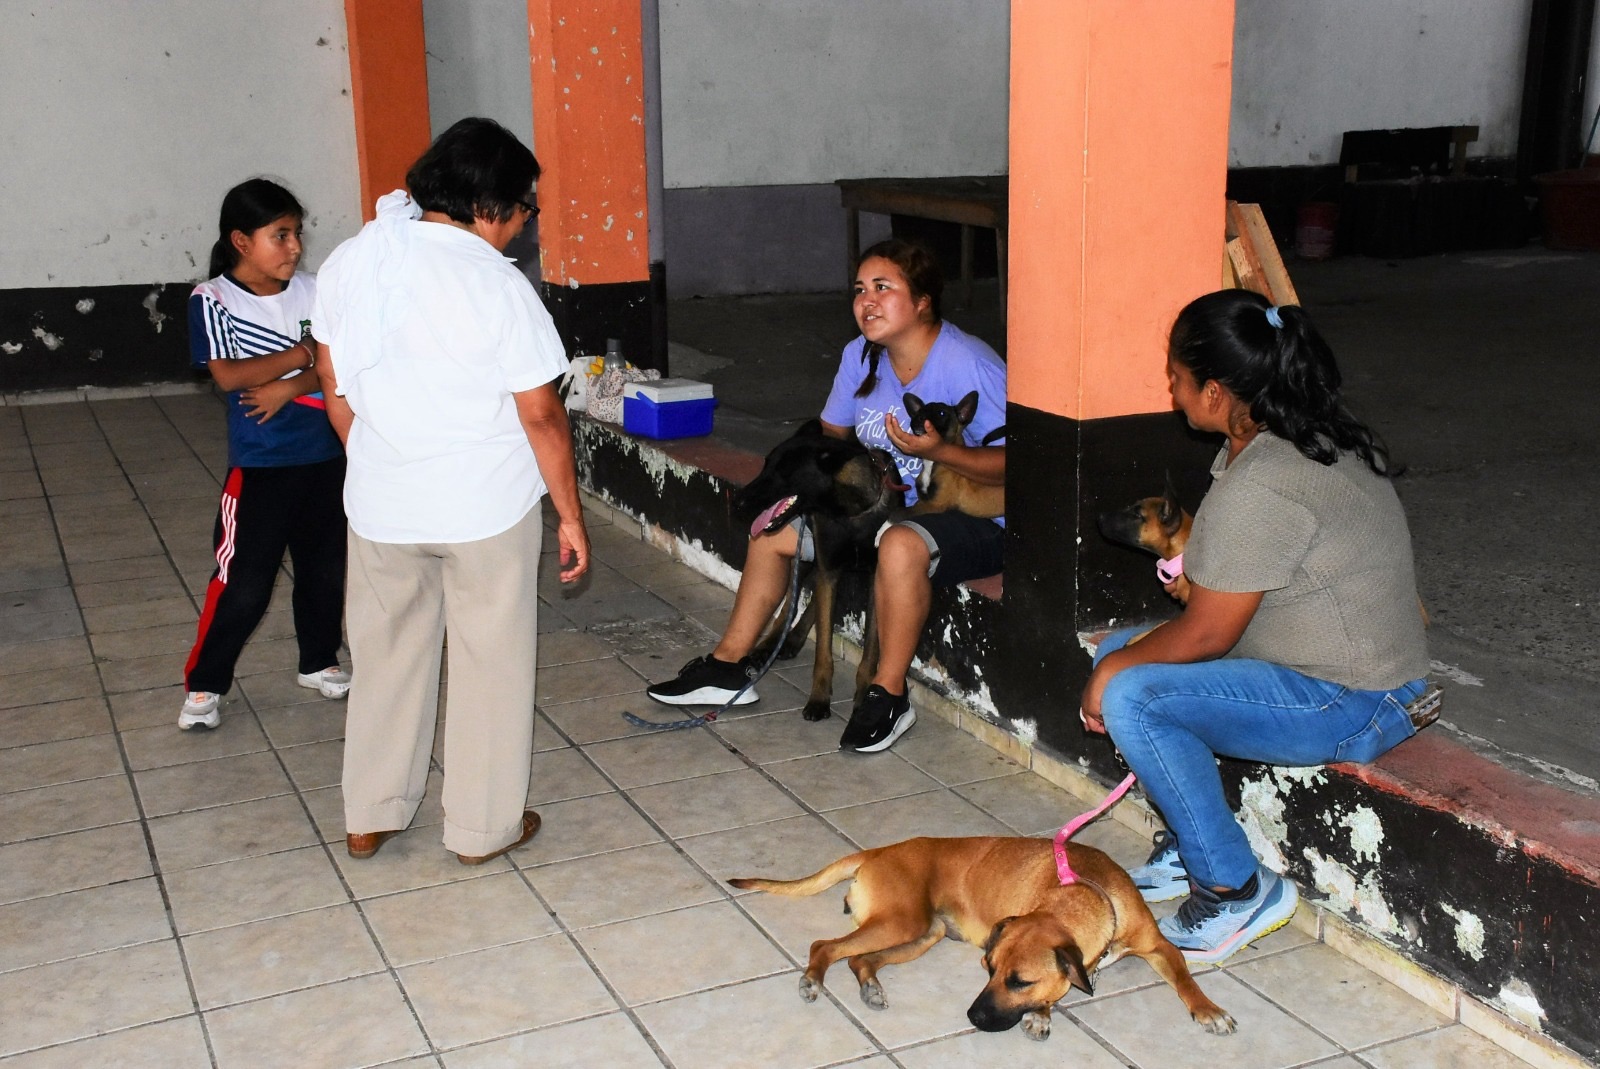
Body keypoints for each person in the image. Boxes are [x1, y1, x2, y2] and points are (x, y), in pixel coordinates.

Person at [1080, 289, 1429, 964]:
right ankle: (1190, 847)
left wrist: (1111, 674)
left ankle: (1234, 887)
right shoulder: (1278, 442)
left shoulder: (1265, 478)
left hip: (1357, 697)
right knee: (1122, 651)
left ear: (1215, 391)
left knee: (1129, 688)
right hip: (1321, 669)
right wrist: (1123, 654)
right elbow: (1239, 590)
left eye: (1177, 378)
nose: (1170, 390)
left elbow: (1207, 633)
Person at [311, 117, 589, 865]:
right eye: (526, 206)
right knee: (488, 663)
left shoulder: (352, 261)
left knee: (386, 654)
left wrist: (381, 460)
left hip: (381, 505)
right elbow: (542, 416)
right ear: (493, 206)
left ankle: (371, 813)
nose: (526, 223)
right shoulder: (497, 287)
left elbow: (332, 383)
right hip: (482, 510)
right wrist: (570, 515)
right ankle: (480, 828)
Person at [647, 239, 1006, 753]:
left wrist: (942, 454)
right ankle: (728, 667)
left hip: (974, 513)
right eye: (860, 289)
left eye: (884, 288)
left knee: (900, 543)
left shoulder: (970, 364)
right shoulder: (860, 357)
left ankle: (887, 694)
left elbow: (1019, 466)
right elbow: (832, 441)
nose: (867, 301)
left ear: (923, 300)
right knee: (777, 527)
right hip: (883, 505)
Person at [179, 179, 349, 731]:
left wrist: (287, 386)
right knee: (243, 581)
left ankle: (318, 660)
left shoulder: (316, 289)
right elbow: (230, 375)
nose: (295, 246)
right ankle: (206, 682)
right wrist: (304, 358)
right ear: (241, 240)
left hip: (325, 456)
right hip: (261, 466)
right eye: (280, 235)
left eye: (297, 233)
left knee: (323, 570)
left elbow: (338, 362)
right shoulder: (213, 299)